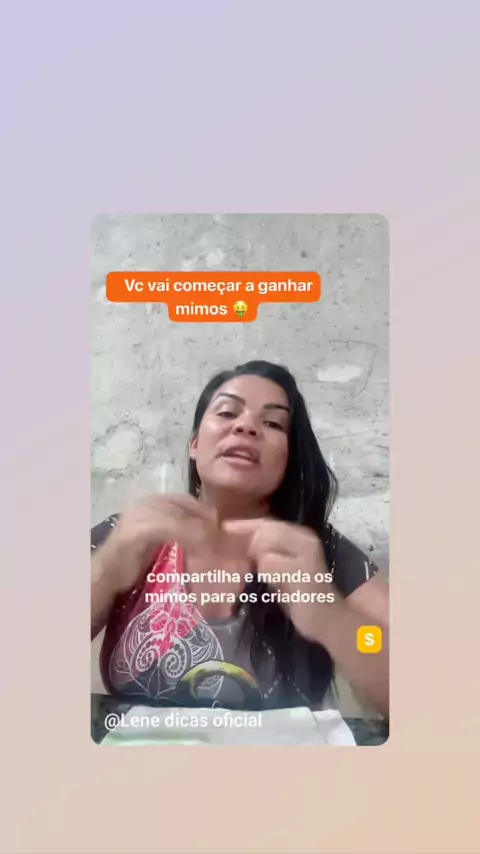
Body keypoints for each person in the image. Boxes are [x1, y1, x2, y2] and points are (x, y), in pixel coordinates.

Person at [91, 360, 389, 718]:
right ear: (195, 444)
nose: (246, 426)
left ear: (289, 457)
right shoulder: (131, 533)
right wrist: (105, 574)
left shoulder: (319, 552)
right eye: (227, 412)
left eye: (273, 423)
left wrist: (332, 618)